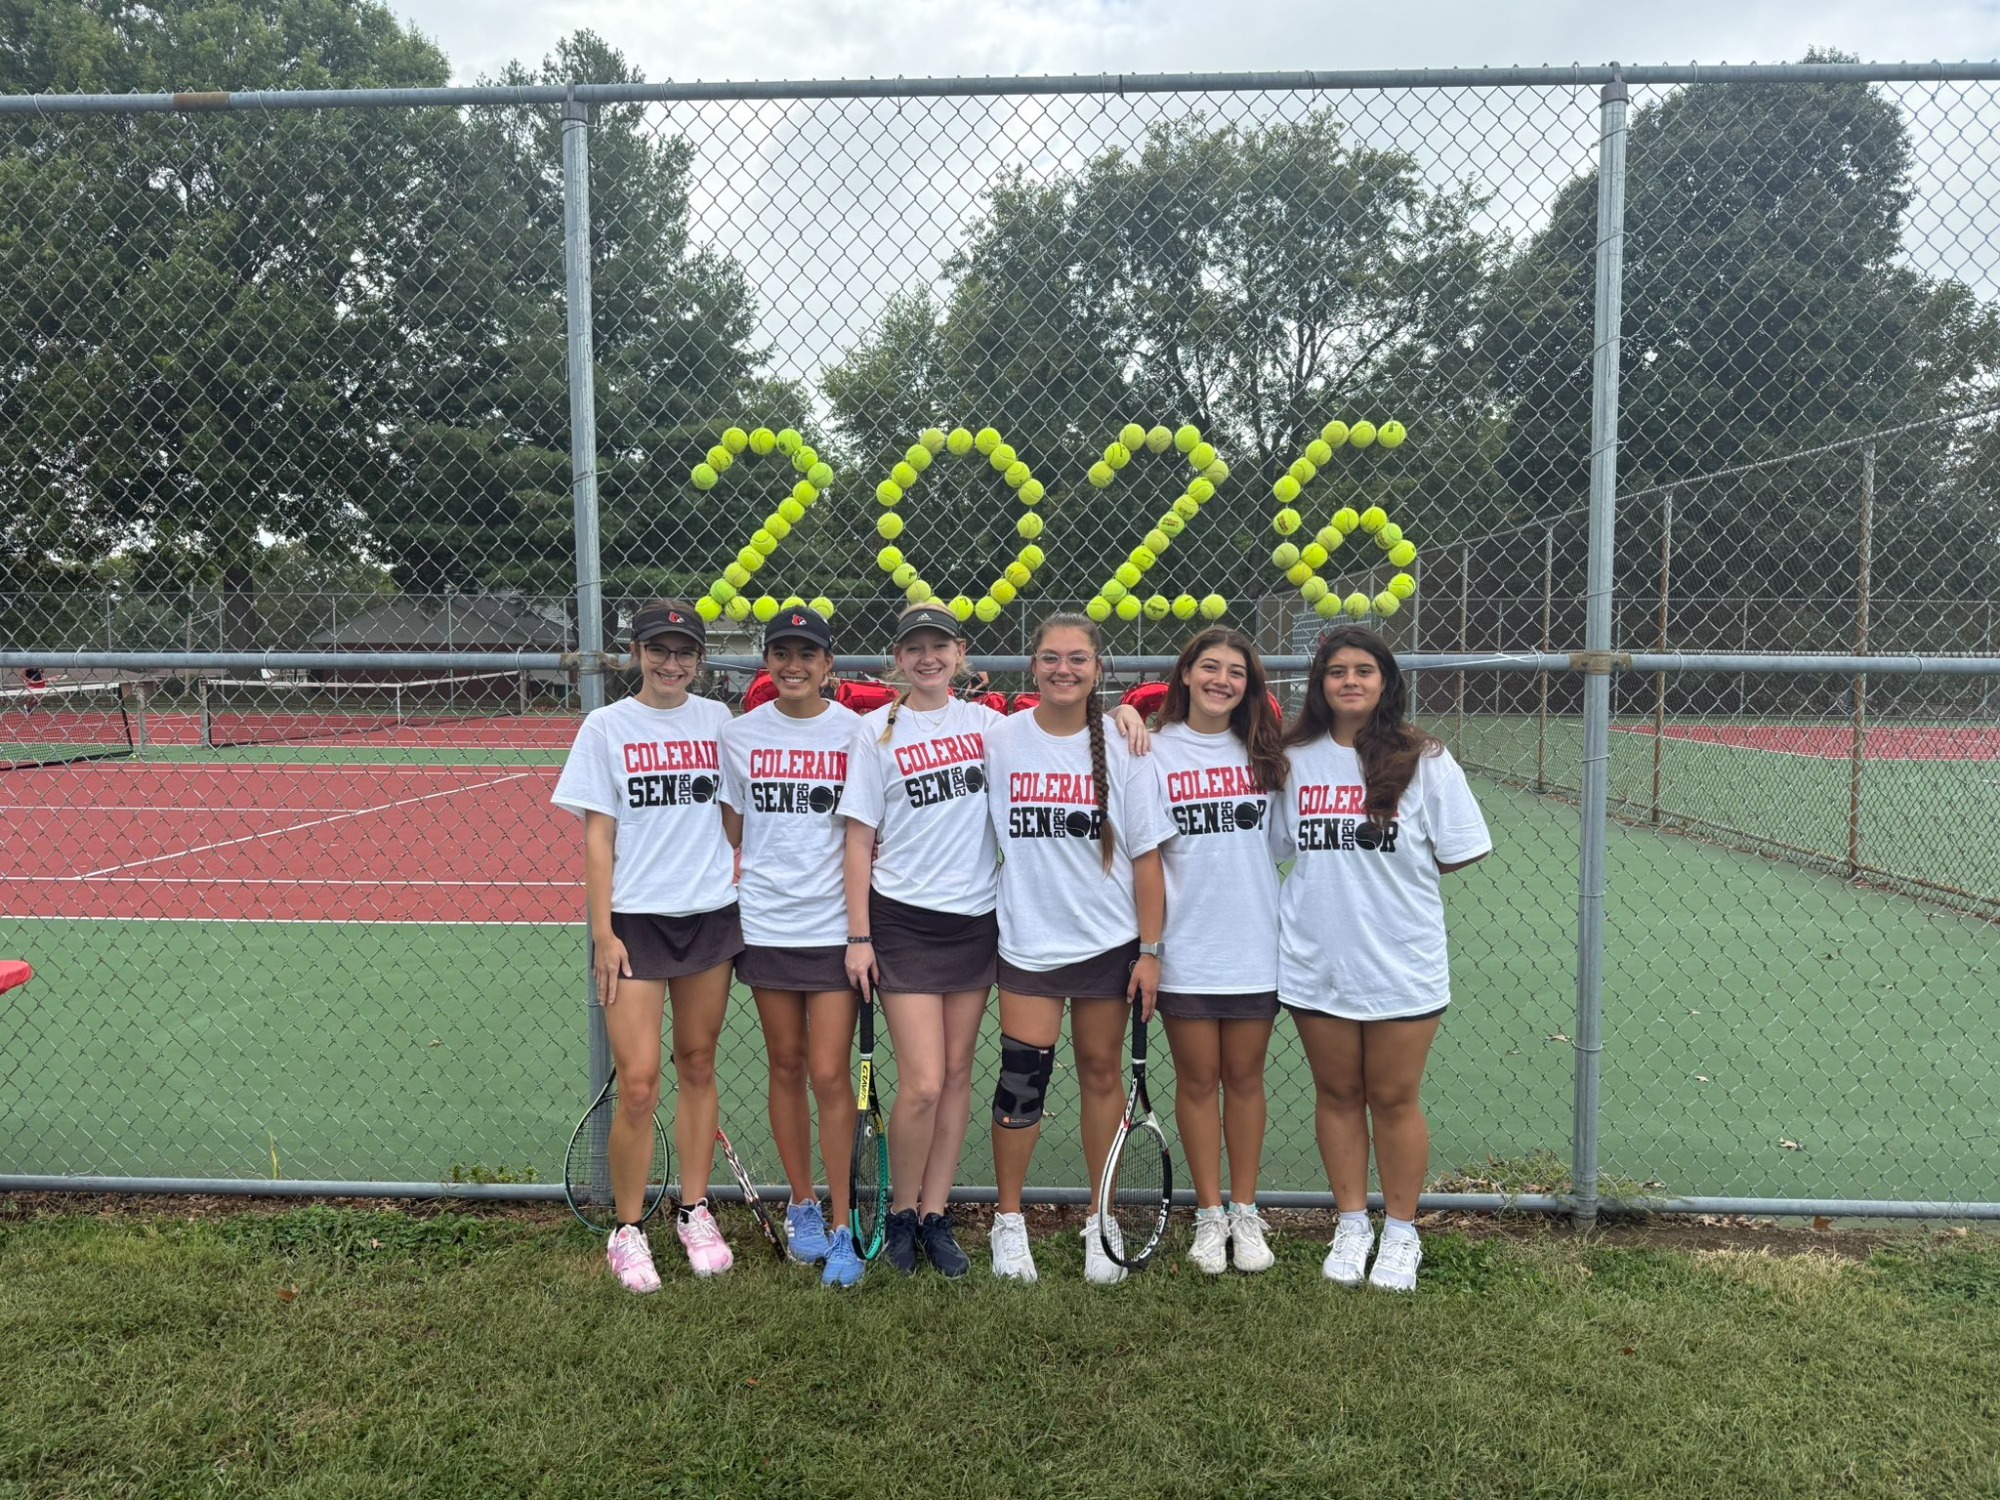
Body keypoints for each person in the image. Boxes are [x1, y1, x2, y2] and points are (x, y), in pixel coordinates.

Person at [1276, 625, 1492, 1292]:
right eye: (1336, 671)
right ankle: (1351, 1222)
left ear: (1385, 682)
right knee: (1338, 1094)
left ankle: (1401, 1232)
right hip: (1317, 959)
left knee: (1394, 1099)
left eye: (1363, 671)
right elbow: (1282, 847)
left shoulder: (1425, 758)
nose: (1349, 681)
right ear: (1320, 684)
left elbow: (1456, 852)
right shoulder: (1293, 758)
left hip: (1401, 962)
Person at [550, 602, 741, 1293]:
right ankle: (627, 1231)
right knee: (637, 1083)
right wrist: (603, 931)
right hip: (634, 923)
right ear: (635, 653)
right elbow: (598, 836)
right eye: (658, 650)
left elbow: (735, 816)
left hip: (711, 916)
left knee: (697, 1063)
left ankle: (694, 1209)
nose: (671, 663)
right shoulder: (606, 727)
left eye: (684, 651)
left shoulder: (719, 723)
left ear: (699, 658)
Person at [983, 613, 1172, 1285]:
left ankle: (1101, 1217)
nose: (1064, 669)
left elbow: (1147, 858)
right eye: (1050, 658)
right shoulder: (998, 738)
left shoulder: (1126, 747)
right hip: (1028, 943)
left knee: (1100, 1076)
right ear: (1031, 665)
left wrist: (1150, 951)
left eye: (1079, 659)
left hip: (1107, 945)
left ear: (1098, 668)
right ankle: (1009, 1222)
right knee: (1022, 1082)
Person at [838, 603, 1004, 1278]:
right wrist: (858, 936)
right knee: (924, 1083)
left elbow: (1068, 726)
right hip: (902, 921)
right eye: (916, 648)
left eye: (941, 646)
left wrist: (1131, 716)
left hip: (974, 920)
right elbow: (857, 840)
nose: (929, 657)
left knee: (959, 1075)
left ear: (960, 654)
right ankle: (900, 1211)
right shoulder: (872, 732)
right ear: (898, 658)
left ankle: (936, 1215)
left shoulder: (992, 727)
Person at [718, 604, 869, 1288]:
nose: (794, 664)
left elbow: (869, 829)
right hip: (768, 925)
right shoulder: (741, 735)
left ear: (829, 666)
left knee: (831, 1075)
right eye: (782, 652)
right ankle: (801, 1204)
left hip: (834, 927)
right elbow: (731, 828)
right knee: (785, 1064)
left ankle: (843, 1223)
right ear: (767, 661)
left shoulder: (856, 733)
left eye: (807, 654)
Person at [1146, 627, 1289, 1274]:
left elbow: (1283, 844)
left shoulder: (1265, 754)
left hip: (1254, 945)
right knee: (1198, 1082)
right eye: (1209, 666)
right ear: (1185, 674)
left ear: (1249, 687)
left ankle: (1245, 1211)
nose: (1222, 680)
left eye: (1236, 672)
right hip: (1184, 950)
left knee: (1245, 1080)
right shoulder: (1151, 750)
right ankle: (1208, 1216)